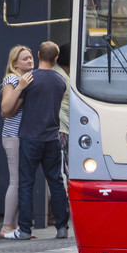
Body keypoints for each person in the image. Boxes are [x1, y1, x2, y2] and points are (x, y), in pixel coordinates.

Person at [2, 42, 70, 240]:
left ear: (39, 54)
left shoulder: (29, 79)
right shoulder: (60, 81)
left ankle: (24, 228)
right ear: (56, 59)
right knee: (56, 182)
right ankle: (62, 227)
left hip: (30, 137)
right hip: (52, 137)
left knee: (26, 183)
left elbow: (10, 108)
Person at [0, 45, 33, 239]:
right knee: (16, 181)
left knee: (20, 181)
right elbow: (5, 108)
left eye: (30, 58)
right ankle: (7, 226)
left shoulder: (25, 79)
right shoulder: (13, 79)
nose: (29, 61)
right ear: (15, 64)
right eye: (25, 59)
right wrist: (20, 87)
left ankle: (15, 224)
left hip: (17, 135)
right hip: (13, 136)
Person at [55, 43, 72, 186]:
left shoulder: (59, 73)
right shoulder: (62, 77)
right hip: (62, 126)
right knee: (65, 166)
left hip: (61, 125)